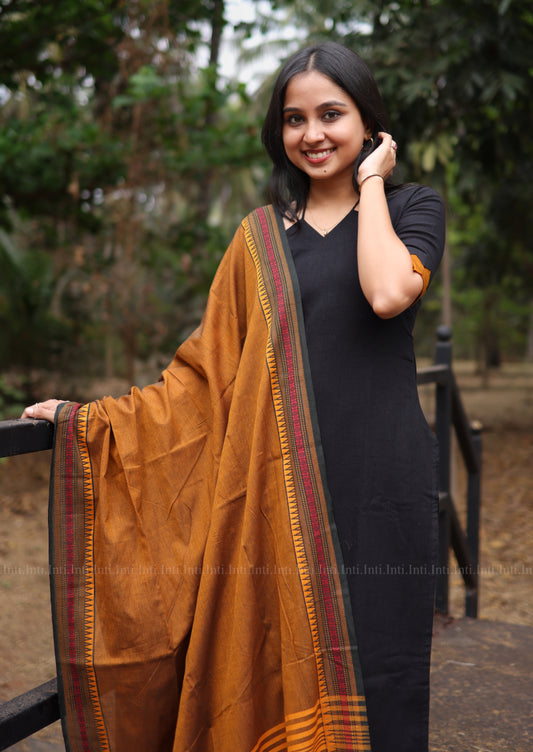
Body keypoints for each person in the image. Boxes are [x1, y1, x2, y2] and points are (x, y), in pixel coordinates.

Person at [23, 42, 445, 752]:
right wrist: (89, 420)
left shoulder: (412, 207)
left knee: (384, 674)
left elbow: (386, 292)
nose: (312, 133)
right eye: (294, 119)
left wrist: (372, 182)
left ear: (368, 121)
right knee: (275, 664)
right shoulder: (258, 239)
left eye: (332, 114)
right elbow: (205, 376)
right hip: (276, 492)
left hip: (382, 481)